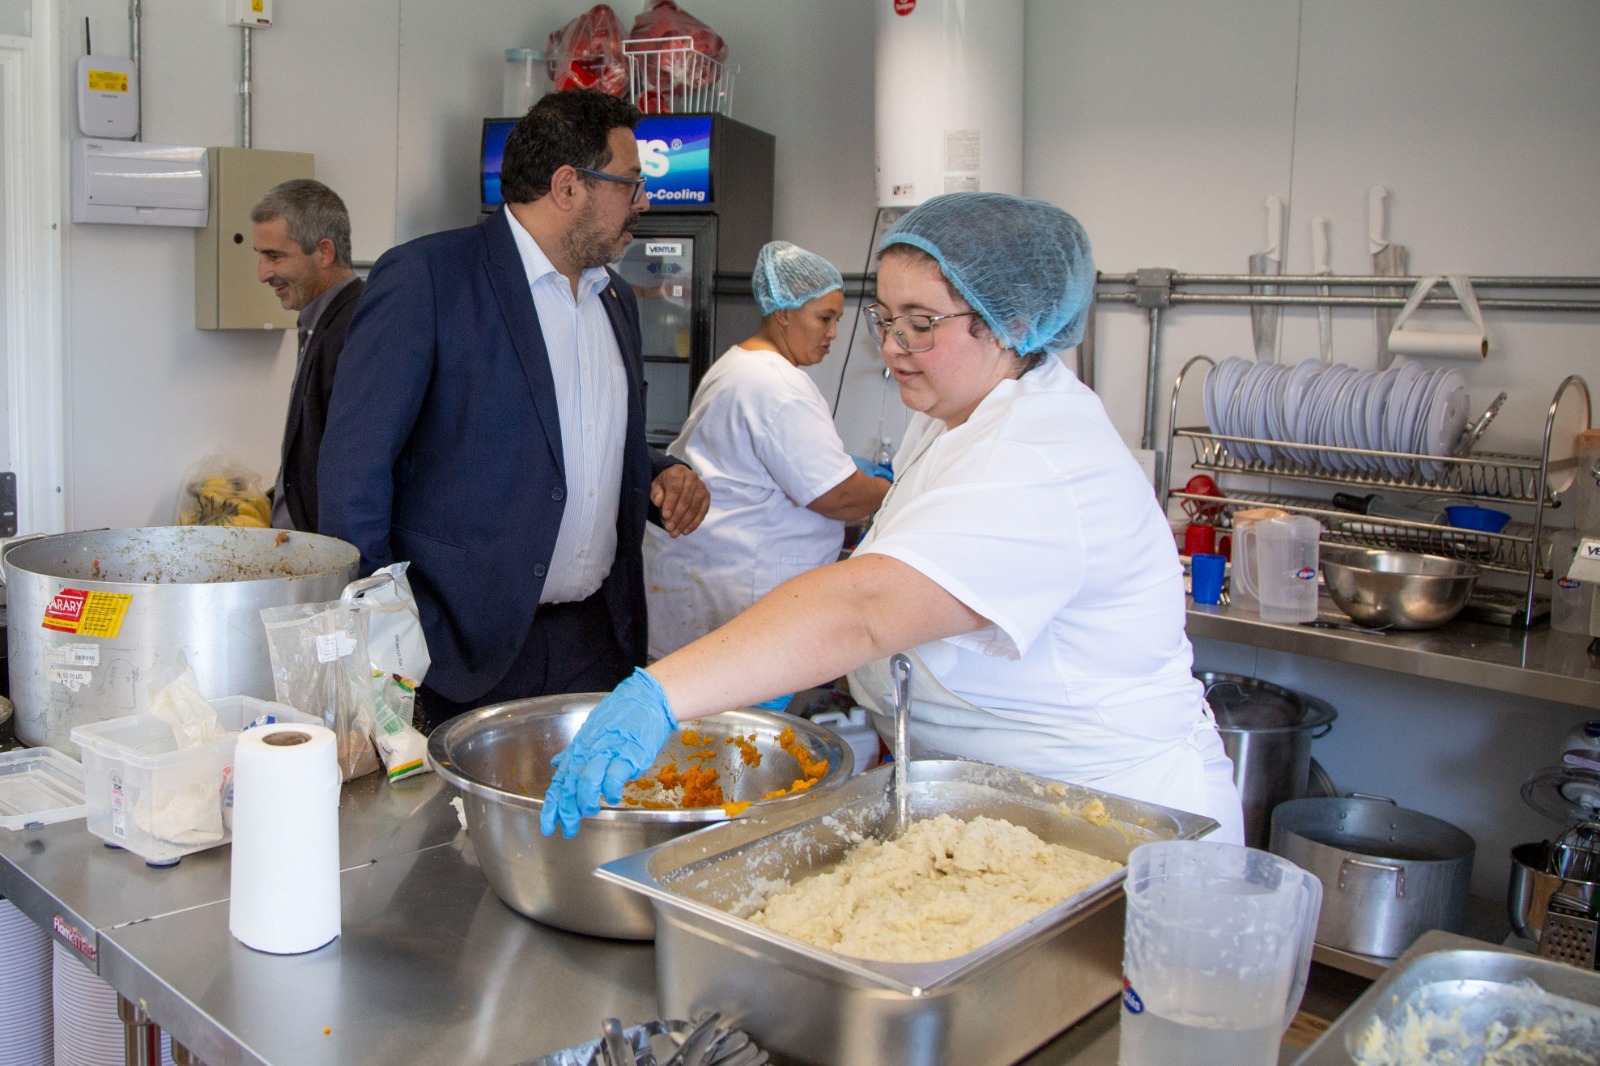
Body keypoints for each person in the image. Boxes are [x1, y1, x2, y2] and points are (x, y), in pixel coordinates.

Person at [539, 191, 1245, 845]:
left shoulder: (1041, 453)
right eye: (885, 319)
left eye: (921, 324)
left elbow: (867, 608)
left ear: (1012, 322)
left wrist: (661, 695)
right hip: (1013, 805)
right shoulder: (952, 416)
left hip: (1115, 821)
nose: (891, 346)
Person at [317, 89, 710, 732]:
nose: (643, 201)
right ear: (567, 186)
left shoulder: (615, 299)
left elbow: (572, 435)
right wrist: (392, 639)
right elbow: (351, 475)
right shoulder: (429, 278)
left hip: (595, 642)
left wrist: (659, 472)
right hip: (457, 651)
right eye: (631, 183)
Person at [643, 240, 891, 660]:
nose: (833, 333)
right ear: (784, 313)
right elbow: (838, 495)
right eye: (824, 318)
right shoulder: (778, 385)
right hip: (738, 590)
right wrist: (896, 491)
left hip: (705, 578)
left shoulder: (740, 363)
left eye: (837, 320)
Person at [252, 179, 364, 532]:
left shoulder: (357, 329)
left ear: (324, 252)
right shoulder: (319, 322)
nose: (263, 273)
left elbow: (356, 466)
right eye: (260, 256)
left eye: (275, 256)